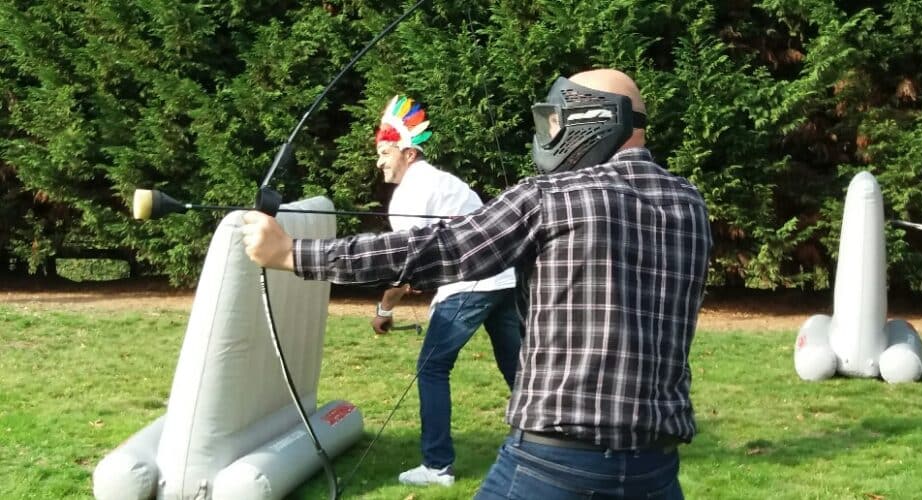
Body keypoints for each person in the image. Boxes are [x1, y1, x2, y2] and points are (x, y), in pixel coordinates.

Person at [241, 69, 713, 499]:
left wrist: (292, 253)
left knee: (435, 368)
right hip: (656, 471)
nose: (549, 133)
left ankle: (437, 464)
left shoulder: (551, 197)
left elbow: (441, 249)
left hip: (553, 465)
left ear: (593, 120)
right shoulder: (689, 204)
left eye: (556, 121)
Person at [366, 95, 522, 487]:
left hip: (473, 283)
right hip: (503, 279)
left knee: (432, 367)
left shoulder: (410, 195)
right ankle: (550, 444)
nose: (379, 162)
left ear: (408, 153)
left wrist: (384, 311)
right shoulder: (443, 181)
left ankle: (437, 467)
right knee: (517, 367)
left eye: (385, 153)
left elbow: (404, 268)